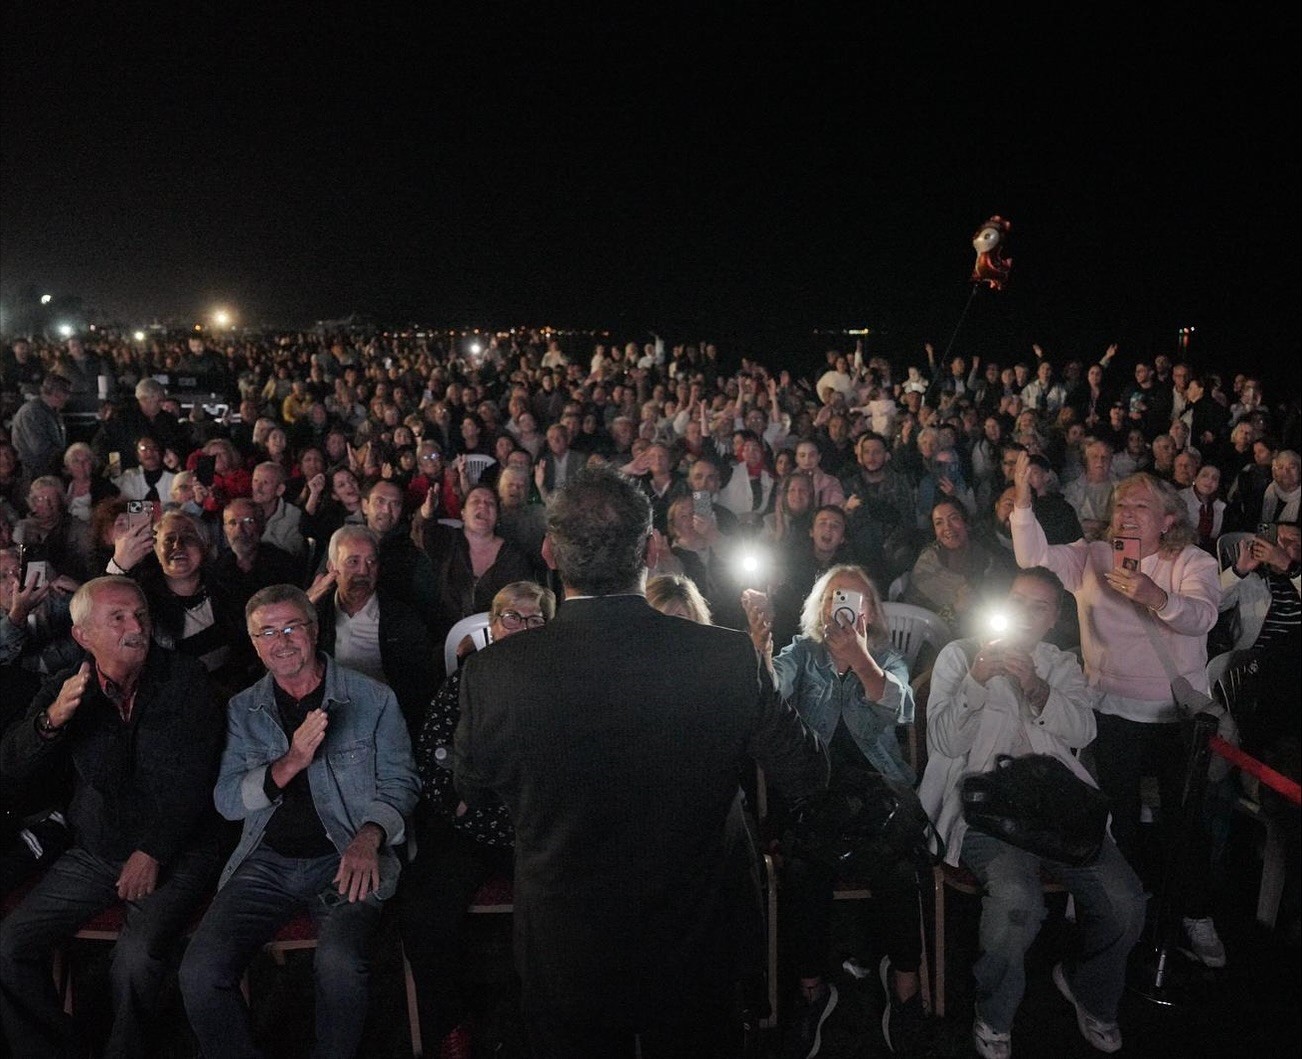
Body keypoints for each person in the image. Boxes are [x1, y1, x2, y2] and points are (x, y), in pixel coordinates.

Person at [454, 465, 828, 1058]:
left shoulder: (496, 671)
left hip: (567, 940)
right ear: (652, 550)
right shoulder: (725, 657)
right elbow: (806, 772)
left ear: (549, 552)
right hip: (695, 935)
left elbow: (472, 784)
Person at [178, 583, 420, 1059]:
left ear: (314, 630)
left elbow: (402, 782)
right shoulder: (244, 709)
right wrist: (290, 762)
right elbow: (227, 801)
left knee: (340, 963)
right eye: (267, 632)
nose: (282, 641)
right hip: (267, 860)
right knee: (199, 971)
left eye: (292, 627)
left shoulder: (371, 698)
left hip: (345, 855)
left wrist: (369, 836)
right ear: (254, 644)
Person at [1007, 456, 1226, 966]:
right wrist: (1022, 500)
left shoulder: (1191, 562)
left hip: (1174, 713)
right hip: (1110, 707)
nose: (1126, 513)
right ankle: (1117, 915)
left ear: (1168, 519)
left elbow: (1202, 617)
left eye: (1140, 506)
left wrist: (1157, 597)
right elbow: (1032, 556)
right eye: (1121, 504)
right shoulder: (1094, 555)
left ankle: (1194, 912)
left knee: (1184, 821)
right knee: (1115, 816)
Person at [919, 567, 1146, 1058]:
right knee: (1016, 902)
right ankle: (995, 1013)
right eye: (1016, 601)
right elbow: (945, 742)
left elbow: (1083, 732)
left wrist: (1037, 688)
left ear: (1052, 619)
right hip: (985, 809)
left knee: (1126, 903)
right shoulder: (960, 656)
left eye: (1038, 607)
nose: (1024, 614)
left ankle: (1090, 988)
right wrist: (977, 680)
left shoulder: (1059, 663)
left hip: (1056, 808)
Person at [0, 576, 223, 1059]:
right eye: (117, 618)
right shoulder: (67, 686)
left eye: (140, 615)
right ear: (83, 635)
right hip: (98, 848)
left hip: (177, 849)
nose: (135, 627)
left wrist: (153, 851)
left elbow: (195, 781)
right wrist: (51, 722)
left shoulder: (186, 680)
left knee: (135, 961)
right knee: (10, 944)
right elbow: (12, 764)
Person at [743, 565, 924, 1057]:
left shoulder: (885, 656)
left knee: (901, 868)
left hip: (877, 799)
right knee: (803, 870)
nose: (842, 609)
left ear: (870, 612)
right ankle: (811, 991)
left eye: (854, 600)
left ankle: (905, 986)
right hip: (814, 798)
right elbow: (767, 695)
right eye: (833, 599)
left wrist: (861, 660)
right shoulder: (803, 654)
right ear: (820, 609)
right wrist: (760, 644)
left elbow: (901, 708)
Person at [401, 581, 556, 1057]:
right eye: (512, 617)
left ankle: (551, 1023)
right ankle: (450, 1025)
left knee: (566, 907)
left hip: (537, 828)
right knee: (424, 906)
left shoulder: (563, 684)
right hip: (470, 825)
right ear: (493, 626)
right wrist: (459, 804)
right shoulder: (466, 679)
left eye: (535, 619)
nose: (523, 627)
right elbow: (433, 749)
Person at [308, 524, 437, 738]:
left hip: (384, 721)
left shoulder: (400, 618)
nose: (363, 572)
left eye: (371, 562)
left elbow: (418, 688)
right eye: (353, 562)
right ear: (332, 567)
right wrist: (306, 604)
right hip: (325, 721)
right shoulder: (315, 614)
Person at [904, 499, 1013, 635]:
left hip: (988, 632)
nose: (947, 527)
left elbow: (1004, 595)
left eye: (954, 518)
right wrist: (956, 609)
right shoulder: (928, 563)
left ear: (966, 523)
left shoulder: (985, 556)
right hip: (932, 638)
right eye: (939, 523)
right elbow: (915, 617)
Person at [10, 374, 71, 487]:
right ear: (57, 393)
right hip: (34, 475)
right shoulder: (32, 412)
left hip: (48, 471)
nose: (68, 398)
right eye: (67, 393)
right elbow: (40, 448)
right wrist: (67, 459)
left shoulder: (52, 412)